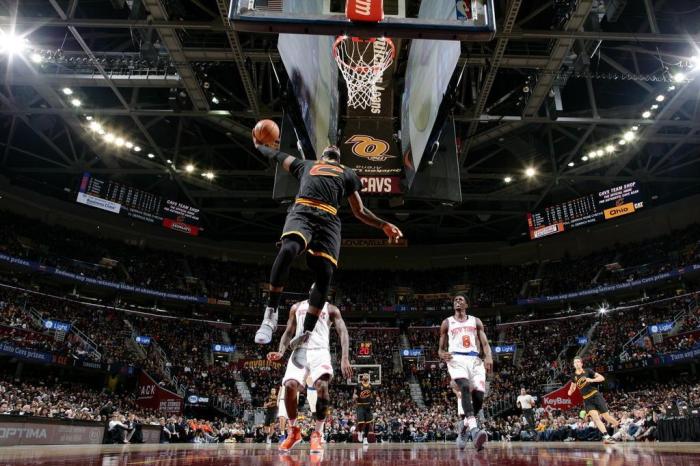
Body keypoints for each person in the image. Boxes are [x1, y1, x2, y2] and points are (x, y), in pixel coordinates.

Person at [251, 137, 403, 345]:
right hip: (303, 210)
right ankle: (271, 314)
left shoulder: (347, 172)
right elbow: (278, 156)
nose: (333, 145)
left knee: (325, 274)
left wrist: (382, 224)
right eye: (329, 146)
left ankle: (306, 334)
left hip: (329, 218)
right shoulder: (306, 165)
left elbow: (359, 210)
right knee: (288, 249)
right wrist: (259, 146)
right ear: (322, 154)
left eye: (336, 147)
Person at [267, 295, 353, 453]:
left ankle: (317, 434)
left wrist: (345, 358)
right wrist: (281, 351)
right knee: (290, 385)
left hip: (320, 352)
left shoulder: (331, 309)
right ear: (311, 292)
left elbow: (343, 332)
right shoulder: (297, 307)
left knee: (322, 385)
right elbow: (288, 332)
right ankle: (293, 432)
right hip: (299, 349)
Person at [438, 294, 493, 451]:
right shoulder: (447, 322)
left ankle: (464, 426)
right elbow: (440, 349)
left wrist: (488, 356)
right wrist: (441, 354)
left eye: (461, 300)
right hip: (456, 358)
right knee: (464, 385)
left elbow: (484, 343)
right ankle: (474, 430)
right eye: (455, 300)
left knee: (479, 397)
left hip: (475, 359)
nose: (457, 301)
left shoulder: (475, 321)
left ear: (466, 304)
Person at [567, 356, 620, 444]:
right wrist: (570, 392)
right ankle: (607, 437)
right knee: (595, 418)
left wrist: (591, 380)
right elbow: (572, 388)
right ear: (573, 365)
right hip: (587, 399)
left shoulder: (588, 371)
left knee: (606, 416)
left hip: (595, 395)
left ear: (581, 363)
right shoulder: (573, 376)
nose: (576, 363)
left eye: (578, 362)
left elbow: (602, 378)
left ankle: (619, 426)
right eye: (574, 362)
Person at [353, 373, 375, 445]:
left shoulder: (371, 386)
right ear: (362, 377)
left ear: (368, 377)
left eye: (367, 375)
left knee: (368, 423)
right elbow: (354, 394)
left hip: (368, 406)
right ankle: (359, 432)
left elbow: (373, 395)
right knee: (361, 422)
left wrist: (373, 402)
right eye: (364, 375)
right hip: (360, 405)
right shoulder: (358, 385)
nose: (365, 376)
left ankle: (365, 438)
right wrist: (354, 396)